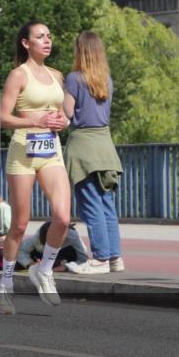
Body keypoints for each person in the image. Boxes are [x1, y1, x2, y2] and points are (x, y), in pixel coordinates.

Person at [0, 21, 70, 313]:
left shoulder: (57, 76)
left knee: (62, 217)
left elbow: (62, 115)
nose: (47, 41)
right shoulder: (18, 75)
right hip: (23, 152)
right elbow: (3, 118)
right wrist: (34, 120)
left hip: (51, 151)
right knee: (19, 225)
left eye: (49, 36)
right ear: (26, 43)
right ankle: (5, 284)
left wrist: (63, 121)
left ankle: (44, 270)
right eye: (40, 37)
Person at [63, 31, 125, 275]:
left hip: (83, 148)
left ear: (80, 51)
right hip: (105, 146)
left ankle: (99, 258)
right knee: (106, 204)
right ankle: (115, 258)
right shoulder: (106, 80)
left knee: (90, 205)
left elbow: (68, 113)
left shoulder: (74, 79)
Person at [18, 220, 90, 272]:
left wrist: (66, 267)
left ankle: (57, 263)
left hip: (64, 257)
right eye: (48, 244)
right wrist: (31, 264)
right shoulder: (37, 237)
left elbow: (83, 259)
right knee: (18, 264)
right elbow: (21, 251)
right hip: (42, 257)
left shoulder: (72, 236)